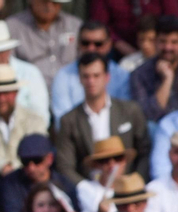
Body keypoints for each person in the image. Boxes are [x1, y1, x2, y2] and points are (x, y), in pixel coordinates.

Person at [55, 54, 152, 186]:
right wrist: (87, 191)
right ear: (79, 79)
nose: (91, 81)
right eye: (86, 76)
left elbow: (144, 151)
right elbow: (65, 165)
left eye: (96, 75)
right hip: (90, 187)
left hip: (128, 184)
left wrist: (135, 182)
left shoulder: (130, 111)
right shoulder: (69, 120)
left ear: (107, 77)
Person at [0, 65, 50, 176]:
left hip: (27, 176)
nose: (1, 99)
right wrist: (2, 166)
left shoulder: (34, 119)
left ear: (16, 92)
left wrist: (13, 169)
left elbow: (37, 151)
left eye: (6, 93)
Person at [52, 21, 132, 122]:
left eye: (98, 44)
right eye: (85, 43)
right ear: (78, 44)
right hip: (77, 135)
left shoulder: (122, 75)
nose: (91, 48)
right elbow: (62, 121)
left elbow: (125, 115)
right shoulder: (63, 75)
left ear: (109, 45)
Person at [7, 0, 83, 88]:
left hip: (72, 89)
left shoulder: (75, 25)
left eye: (55, 2)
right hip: (29, 90)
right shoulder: (12, 27)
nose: (49, 6)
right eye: (44, 1)